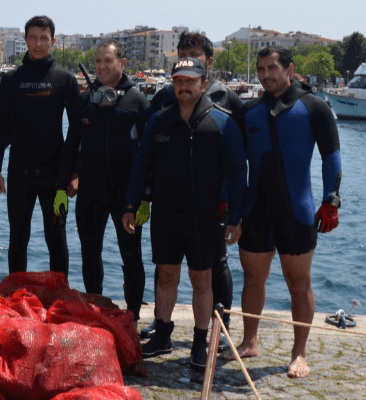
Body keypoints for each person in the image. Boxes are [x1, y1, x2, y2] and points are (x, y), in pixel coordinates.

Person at [121, 57, 246, 371]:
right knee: (166, 274)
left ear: (203, 82)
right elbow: (141, 166)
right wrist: (130, 205)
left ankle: (199, 342)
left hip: (204, 216)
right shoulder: (159, 121)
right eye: (178, 81)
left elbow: (237, 172)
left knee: (202, 279)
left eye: (190, 81)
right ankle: (162, 334)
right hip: (166, 213)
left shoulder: (222, 122)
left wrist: (235, 217)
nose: (184, 87)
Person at [224, 46, 342, 379]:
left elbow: (332, 157)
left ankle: (299, 353)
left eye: (272, 68)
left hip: (297, 211)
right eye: (261, 69)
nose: (265, 75)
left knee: (299, 284)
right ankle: (249, 341)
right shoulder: (249, 111)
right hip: (256, 210)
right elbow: (234, 165)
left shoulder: (314, 108)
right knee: (252, 279)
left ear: (289, 69)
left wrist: (331, 201)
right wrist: (229, 204)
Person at [140, 30, 243, 339]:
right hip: (170, 199)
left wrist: (231, 203)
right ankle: (161, 323)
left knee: (214, 267)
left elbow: (239, 159)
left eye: (194, 54)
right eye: (182, 54)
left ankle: (219, 328)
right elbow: (148, 152)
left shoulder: (228, 99)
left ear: (208, 62)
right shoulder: (164, 98)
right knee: (165, 266)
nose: (187, 59)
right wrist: (144, 196)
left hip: (213, 200)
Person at [52, 40, 149, 319]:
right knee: (90, 253)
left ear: (123, 63)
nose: (102, 66)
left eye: (108, 61)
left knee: (131, 256)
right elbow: (71, 145)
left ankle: (132, 316)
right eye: (98, 61)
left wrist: (145, 198)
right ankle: (95, 309)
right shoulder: (86, 101)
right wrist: (61, 188)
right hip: (91, 191)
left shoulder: (137, 102)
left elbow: (149, 155)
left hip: (126, 194)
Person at [0, 15, 80, 275]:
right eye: (33, 38)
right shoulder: (11, 79)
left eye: (43, 38)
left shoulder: (65, 79)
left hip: (56, 177)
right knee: (18, 237)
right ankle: (16, 291)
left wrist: (75, 173)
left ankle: (59, 292)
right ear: (25, 40)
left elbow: (77, 132)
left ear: (53, 41)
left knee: (56, 236)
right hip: (20, 174)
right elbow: (0, 128)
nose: (38, 44)